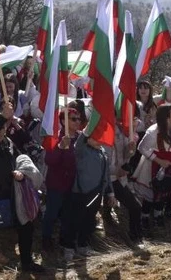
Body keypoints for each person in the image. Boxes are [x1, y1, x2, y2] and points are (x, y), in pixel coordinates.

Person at [0, 102, 43, 274]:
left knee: (26, 226)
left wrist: (21, 173)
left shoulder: (8, 144)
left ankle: (26, 262)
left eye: (4, 127)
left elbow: (20, 160)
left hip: (10, 194)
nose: (2, 131)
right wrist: (3, 116)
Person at [132, 104, 171, 229]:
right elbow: (142, 147)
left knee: (164, 192)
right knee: (150, 194)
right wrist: (159, 160)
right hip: (152, 167)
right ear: (167, 117)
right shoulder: (154, 131)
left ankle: (158, 215)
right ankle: (144, 217)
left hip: (168, 168)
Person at [61, 132, 112, 263]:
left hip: (96, 193)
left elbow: (106, 175)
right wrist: (89, 128)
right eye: (94, 137)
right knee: (75, 221)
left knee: (89, 220)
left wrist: (109, 192)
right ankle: (69, 247)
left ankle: (82, 244)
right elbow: (80, 140)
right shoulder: (81, 150)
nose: (98, 140)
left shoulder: (103, 153)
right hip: (81, 193)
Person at [41, 108, 80, 252]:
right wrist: (60, 147)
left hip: (73, 184)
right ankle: (46, 240)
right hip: (57, 184)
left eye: (78, 119)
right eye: (73, 119)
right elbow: (49, 160)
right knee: (51, 213)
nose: (77, 122)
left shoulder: (81, 138)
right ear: (63, 121)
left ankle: (65, 241)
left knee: (68, 215)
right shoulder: (56, 137)